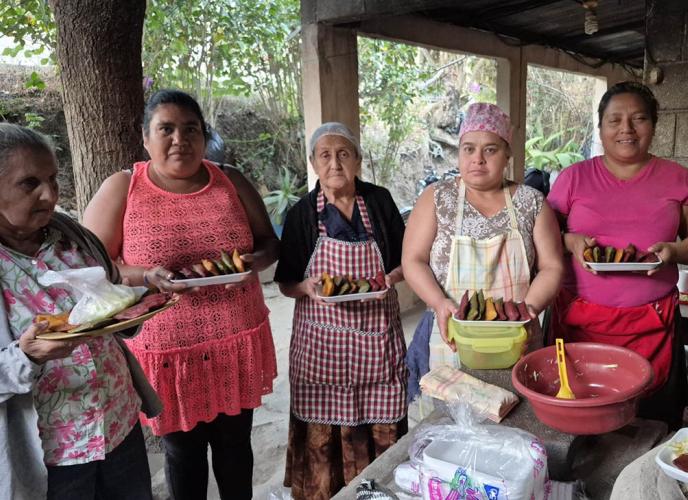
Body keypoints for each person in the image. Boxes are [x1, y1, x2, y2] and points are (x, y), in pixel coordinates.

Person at [83, 89, 279, 500]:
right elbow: (94, 264)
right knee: (182, 455)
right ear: (145, 137)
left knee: (235, 447)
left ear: (204, 136)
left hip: (235, 341)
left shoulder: (230, 181)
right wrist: (144, 274)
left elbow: (268, 243)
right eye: (166, 129)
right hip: (169, 353)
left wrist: (252, 265)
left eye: (191, 129)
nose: (180, 140)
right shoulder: (124, 187)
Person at [0, 123, 160, 500]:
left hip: (119, 424)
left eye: (52, 179)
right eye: (29, 183)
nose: (49, 194)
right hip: (53, 457)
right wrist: (26, 357)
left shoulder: (71, 235)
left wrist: (136, 300)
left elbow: (109, 297)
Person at [547, 81, 688, 426]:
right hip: (579, 322)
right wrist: (570, 241)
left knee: (649, 421)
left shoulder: (677, 177)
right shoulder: (573, 177)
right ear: (600, 127)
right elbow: (543, 239)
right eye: (615, 120)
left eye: (639, 119)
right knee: (581, 414)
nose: (627, 129)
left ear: (653, 125)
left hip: (654, 324)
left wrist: (674, 250)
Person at [275, 122, 407, 500]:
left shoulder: (379, 202)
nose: (335, 163)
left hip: (376, 339)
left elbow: (404, 261)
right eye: (325, 155)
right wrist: (306, 288)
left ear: (358, 160)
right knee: (322, 435)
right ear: (313, 163)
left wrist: (389, 279)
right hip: (322, 346)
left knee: (382, 419)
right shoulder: (302, 214)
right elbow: (286, 283)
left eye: (344, 154)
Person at [403, 102, 564, 398]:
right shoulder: (436, 198)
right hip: (452, 333)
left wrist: (528, 310)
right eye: (468, 149)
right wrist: (438, 302)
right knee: (452, 417)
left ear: (507, 155)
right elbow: (413, 260)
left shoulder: (531, 202)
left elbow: (552, 266)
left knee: (516, 413)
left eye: (490, 149)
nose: (477, 159)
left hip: (516, 335)